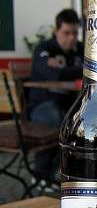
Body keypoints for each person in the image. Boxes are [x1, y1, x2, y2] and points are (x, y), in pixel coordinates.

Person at [28, 9, 83, 180]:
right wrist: (79, 70)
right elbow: (53, 74)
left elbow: (94, 68)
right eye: (66, 33)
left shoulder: (81, 48)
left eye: (75, 33)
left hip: (69, 105)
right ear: (56, 31)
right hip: (41, 104)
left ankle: (67, 172)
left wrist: (65, 70)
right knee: (56, 120)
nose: (72, 38)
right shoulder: (44, 48)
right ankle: (41, 176)